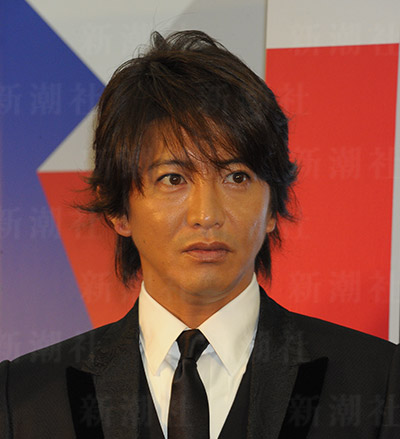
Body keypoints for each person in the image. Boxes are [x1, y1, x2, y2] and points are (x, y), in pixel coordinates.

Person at [0, 30, 399, 439]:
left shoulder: (378, 382)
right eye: (173, 178)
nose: (206, 215)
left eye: (236, 177)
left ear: (272, 207)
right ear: (119, 210)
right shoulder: (24, 398)